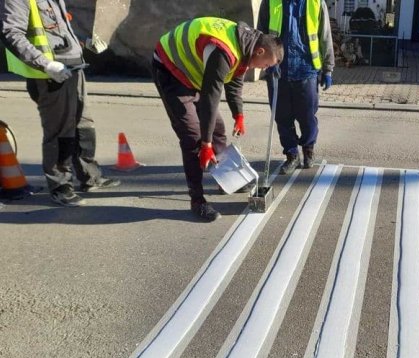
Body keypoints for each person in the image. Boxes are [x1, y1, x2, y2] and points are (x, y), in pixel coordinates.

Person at [152, 18, 283, 222]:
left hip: (193, 73)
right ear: (260, 52)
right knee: (192, 138)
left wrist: (238, 114)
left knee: (218, 128)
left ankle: (225, 179)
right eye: (266, 65)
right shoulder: (224, 51)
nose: (263, 69)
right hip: (171, 70)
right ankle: (197, 201)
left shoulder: (246, 45)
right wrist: (206, 144)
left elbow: (234, 81)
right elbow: (210, 97)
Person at [1, 0, 120, 207]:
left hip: (74, 65)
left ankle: (89, 176)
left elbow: (58, 33)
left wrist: (83, 43)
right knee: (60, 131)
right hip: (51, 73)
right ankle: (60, 186)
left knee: (84, 126)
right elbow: (11, 33)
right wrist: (46, 65)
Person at [258, 0, 335, 175]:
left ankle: (308, 149)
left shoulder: (315, 3)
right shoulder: (270, 2)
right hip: (278, 70)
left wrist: (328, 68)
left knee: (307, 116)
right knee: (282, 118)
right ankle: (292, 154)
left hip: (306, 69)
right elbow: (260, 35)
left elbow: (325, 35)